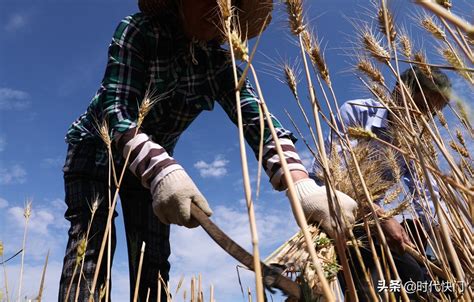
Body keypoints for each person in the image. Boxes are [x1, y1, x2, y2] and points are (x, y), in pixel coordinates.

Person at [58, 0, 359, 301]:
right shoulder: (138, 31)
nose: (216, 7)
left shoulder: (219, 66)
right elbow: (117, 110)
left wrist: (302, 185)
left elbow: (260, 122)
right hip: (96, 151)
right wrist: (163, 169)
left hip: (152, 174)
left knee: (152, 264)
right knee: (91, 252)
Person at [310, 66, 452, 301]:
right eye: (422, 105)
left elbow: (425, 193)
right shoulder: (358, 112)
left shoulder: (414, 140)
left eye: (432, 112)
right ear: (401, 90)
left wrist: (445, 234)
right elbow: (334, 175)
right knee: (366, 291)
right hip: (336, 214)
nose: (425, 116)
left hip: (376, 220)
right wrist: (381, 216)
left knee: (420, 284)